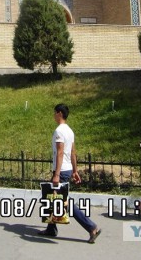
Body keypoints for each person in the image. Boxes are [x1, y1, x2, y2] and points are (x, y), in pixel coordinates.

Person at [38, 103, 101, 243]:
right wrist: (75, 170)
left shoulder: (59, 131)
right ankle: (51, 228)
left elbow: (60, 152)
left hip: (61, 171)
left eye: (55, 113)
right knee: (53, 198)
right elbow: (73, 152)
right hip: (66, 169)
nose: (53, 115)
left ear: (59, 113)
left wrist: (56, 175)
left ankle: (92, 227)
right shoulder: (70, 131)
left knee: (64, 202)